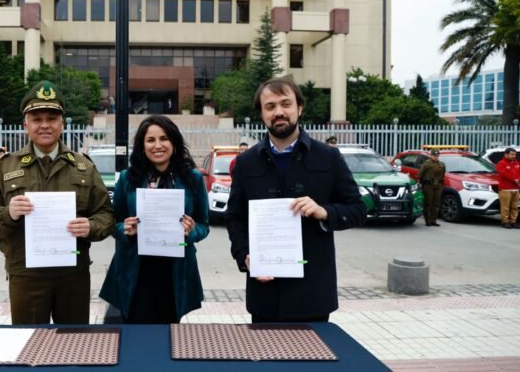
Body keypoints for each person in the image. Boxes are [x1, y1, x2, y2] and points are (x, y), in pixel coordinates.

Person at [225, 77, 366, 323]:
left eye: (286, 104)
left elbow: (357, 209)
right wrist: (244, 254)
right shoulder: (246, 163)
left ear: (299, 108)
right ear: (261, 113)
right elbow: (235, 217)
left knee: (313, 360)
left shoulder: (328, 158)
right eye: (270, 106)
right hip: (265, 293)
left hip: (313, 294)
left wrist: (324, 212)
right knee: (265, 359)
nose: (279, 112)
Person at [0, 80, 114, 325]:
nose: (45, 125)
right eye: (37, 119)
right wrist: (8, 213)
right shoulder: (4, 167)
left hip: (73, 275)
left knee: (74, 346)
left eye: (51, 118)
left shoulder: (84, 166)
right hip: (26, 274)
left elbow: (105, 214)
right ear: (25, 125)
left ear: (61, 124)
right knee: (29, 345)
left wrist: (91, 227)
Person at [100, 115, 210, 324]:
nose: (157, 145)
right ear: (142, 146)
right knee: (135, 332)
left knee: (170, 334)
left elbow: (204, 224)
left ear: (174, 144)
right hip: (136, 272)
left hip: (174, 271)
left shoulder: (192, 178)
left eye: (164, 139)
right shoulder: (127, 178)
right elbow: (113, 223)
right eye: (150, 140)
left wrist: (192, 231)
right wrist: (125, 228)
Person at [419, 149, 446, 227]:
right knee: (428, 203)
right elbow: (420, 174)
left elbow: (443, 174)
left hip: (438, 185)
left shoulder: (442, 164)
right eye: (434, 155)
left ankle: (433, 220)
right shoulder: (426, 164)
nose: (436, 157)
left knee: (436, 204)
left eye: (437, 156)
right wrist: (423, 183)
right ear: (431, 155)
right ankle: (428, 221)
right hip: (428, 185)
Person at [495, 148, 520, 229]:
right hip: (505, 189)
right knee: (505, 206)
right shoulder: (501, 163)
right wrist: (515, 179)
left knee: (514, 206)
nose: (514, 156)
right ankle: (505, 221)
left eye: (515, 154)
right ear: (506, 154)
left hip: (516, 189)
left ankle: (513, 221)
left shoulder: (517, 163)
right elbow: (504, 174)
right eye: (512, 154)